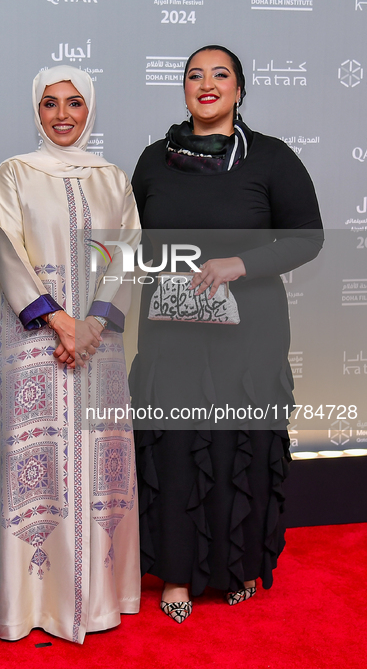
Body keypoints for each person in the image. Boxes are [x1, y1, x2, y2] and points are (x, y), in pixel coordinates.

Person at [130, 45, 323, 623]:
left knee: (235, 445)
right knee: (175, 448)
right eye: (195, 75)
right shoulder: (151, 161)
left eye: (221, 75)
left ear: (240, 89)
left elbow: (307, 238)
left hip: (250, 334)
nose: (206, 84)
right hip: (171, 331)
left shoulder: (271, 159)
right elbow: (131, 243)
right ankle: (177, 576)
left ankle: (233, 566)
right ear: (183, 89)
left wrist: (240, 264)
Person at [0, 65, 141, 644]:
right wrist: (61, 323)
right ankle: (31, 600)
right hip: (34, 345)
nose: (62, 116)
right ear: (34, 110)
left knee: (96, 461)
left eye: (74, 103)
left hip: (99, 349)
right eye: (49, 104)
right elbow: (9, 253)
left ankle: (99, 598)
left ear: (91, 109)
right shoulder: (14, 173)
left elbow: (129, 254)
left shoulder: (114, 179)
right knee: (34, 467)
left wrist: (91, 325)